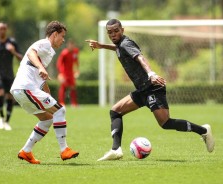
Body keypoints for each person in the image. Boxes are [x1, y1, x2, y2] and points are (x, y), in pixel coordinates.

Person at [86, 19, 215, 161]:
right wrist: (101, 46)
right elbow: (117, 48)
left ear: (122, 30)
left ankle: (203, 131)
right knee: (115, 111)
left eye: (116, 31)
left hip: (152, 88)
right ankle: (116, 150)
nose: (113, 34)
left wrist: (151, 73)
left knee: (165, 123)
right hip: (142, 90)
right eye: (110, 32)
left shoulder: (126, 43)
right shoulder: (119, 45)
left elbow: (141, 58)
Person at [10, 21, 79, 164]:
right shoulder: (45, 44)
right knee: (60, 111)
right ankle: (64, 150)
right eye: (62, 36)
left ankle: (26, 151)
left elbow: (40, 79)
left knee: (47, 119)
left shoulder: (48, 52)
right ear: (54, 34)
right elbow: (30, 52)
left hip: (20, 90)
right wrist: (41, 67)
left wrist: (47, 93)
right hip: (26, 88)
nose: (63, 40)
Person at [56, 39, 79, 106]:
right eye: (70, 45)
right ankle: (62, 103)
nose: (72, 46)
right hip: (64, 73)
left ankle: (74, 104)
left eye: (73, 45)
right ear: (68, 45)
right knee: (63, 87)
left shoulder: (75, 52)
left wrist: (77, 71)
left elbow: (76, 61)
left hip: (71, 73)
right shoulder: (64, 53)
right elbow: (59, 63)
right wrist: (60, 73)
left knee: (73, 88)